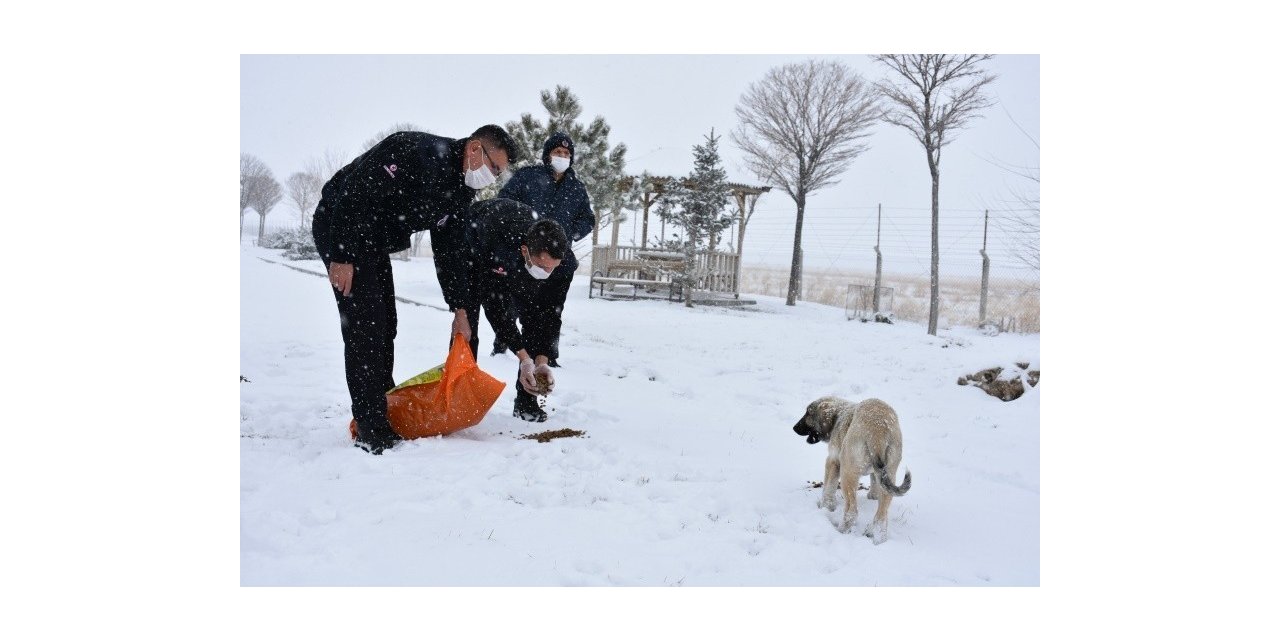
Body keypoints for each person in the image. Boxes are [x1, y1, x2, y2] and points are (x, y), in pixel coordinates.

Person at [312, 125, 519, 454]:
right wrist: (340, 255)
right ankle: (370, 427)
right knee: (365, 324)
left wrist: (460, 310)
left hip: (372, 239)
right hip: (342, 225)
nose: (493, 178)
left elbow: (450, 253)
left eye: (499, 173)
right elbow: (356, 191)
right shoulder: (415, 151)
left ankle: (382, 402)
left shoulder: (460, 192)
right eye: (494, 167)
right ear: (475, 149)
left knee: (386, 323)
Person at [454, 198, 570, 422]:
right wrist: (523, 356)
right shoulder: (500, 246)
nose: (547, 272)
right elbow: (495, 308)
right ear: (525, 251)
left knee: (536, 320)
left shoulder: (563, 265)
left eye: (552, 268)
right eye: (542, 266)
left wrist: (540, 361)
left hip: (509, 255)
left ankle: (527, 402)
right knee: (468, 327)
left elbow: (550, 314)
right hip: (473, 248)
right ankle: (458, 400)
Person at [491, 132, 594, 367]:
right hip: (527, 255)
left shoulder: (576, 188)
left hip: (559, 260)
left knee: (551, 311)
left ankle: (548, 355)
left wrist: (567, 236)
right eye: (558, 152)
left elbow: (587, 219)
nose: (562, 156)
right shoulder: (528, 177)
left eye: (567, 154)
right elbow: (504, 201)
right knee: (516, 304)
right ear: (548, 154)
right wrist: (521, 229)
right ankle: (504, 343)